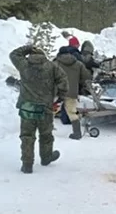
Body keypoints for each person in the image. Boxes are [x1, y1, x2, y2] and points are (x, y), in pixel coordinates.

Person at [9, 44, 69, 173]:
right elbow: (63, 81)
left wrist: (28, 47)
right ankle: (46, 157)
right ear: (44, 55)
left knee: (27, 136)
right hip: (45, 107)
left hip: (27, 107)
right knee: (46, 135)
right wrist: (60, 97)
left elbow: (13, 54)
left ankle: (27, 164)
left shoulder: (23, 65)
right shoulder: (52, 66)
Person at [53, 45, 91, 140]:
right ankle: (77, 133)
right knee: (72, 112)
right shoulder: (78, 64)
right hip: (72, 92)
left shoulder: (55, 63)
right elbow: (86, 77)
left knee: (51, 110)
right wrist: (79, 84)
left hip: (57, 92)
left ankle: (47, 132)